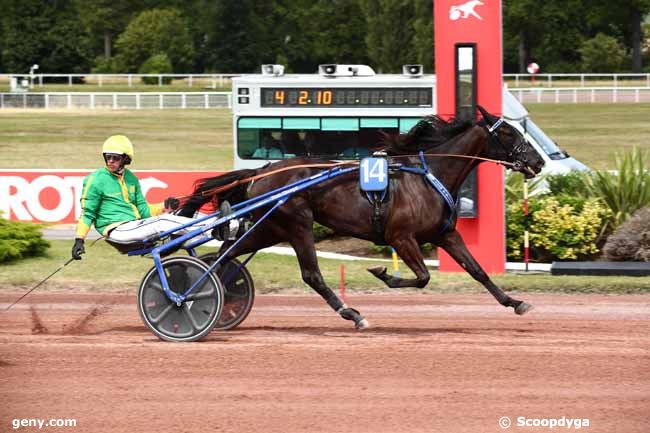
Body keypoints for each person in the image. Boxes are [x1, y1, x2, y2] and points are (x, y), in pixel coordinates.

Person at [71, 135, 212, 259]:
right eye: (108, 157)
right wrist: (79, 239)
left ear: (125, 159)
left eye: (116, 158)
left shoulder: (131, 179)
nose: (110, 161)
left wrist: (165, 206)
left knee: (179, 214)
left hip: (134, 225)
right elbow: (87, 214)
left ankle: (226, 225)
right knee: (163, 221)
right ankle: (212, 228)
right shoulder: (95, 179)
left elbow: (144, 211)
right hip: (117, 231)